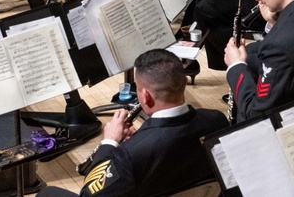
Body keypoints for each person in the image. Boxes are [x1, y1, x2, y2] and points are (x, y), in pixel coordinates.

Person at [58, 50, 228, 197]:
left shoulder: (130, 156)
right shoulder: (217, 121)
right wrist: (138, 141)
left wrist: (109, 143)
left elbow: (88, 194)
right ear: (184, 82)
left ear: (146, 96)